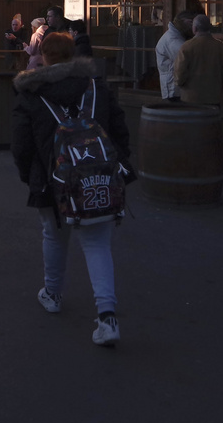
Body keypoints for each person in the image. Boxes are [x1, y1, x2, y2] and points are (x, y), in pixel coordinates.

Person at [11, 32, 132, 347]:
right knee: (97, 245)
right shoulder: (97, 88)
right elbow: (119, 130)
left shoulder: (31, 93)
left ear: (45, 57)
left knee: (54, 235)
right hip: (99, 180)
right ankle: (107, 317)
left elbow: (21, 145)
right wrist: (118, 165)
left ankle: (52, 294)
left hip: (52, 179)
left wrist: (31, 177)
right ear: (73, 55)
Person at [173, 14, 223, 107]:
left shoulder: (186, 47)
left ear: (194, 28)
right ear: (209, 27)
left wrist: (180, 84)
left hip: (190, 96)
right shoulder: (221, 47)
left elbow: (180, 72)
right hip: (213, 95)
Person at [154, 9, 187, 100]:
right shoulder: (173, 40)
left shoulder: (174, 37)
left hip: (173, 85)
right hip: (173, 87)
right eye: (190, 23)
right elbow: (185, 59)